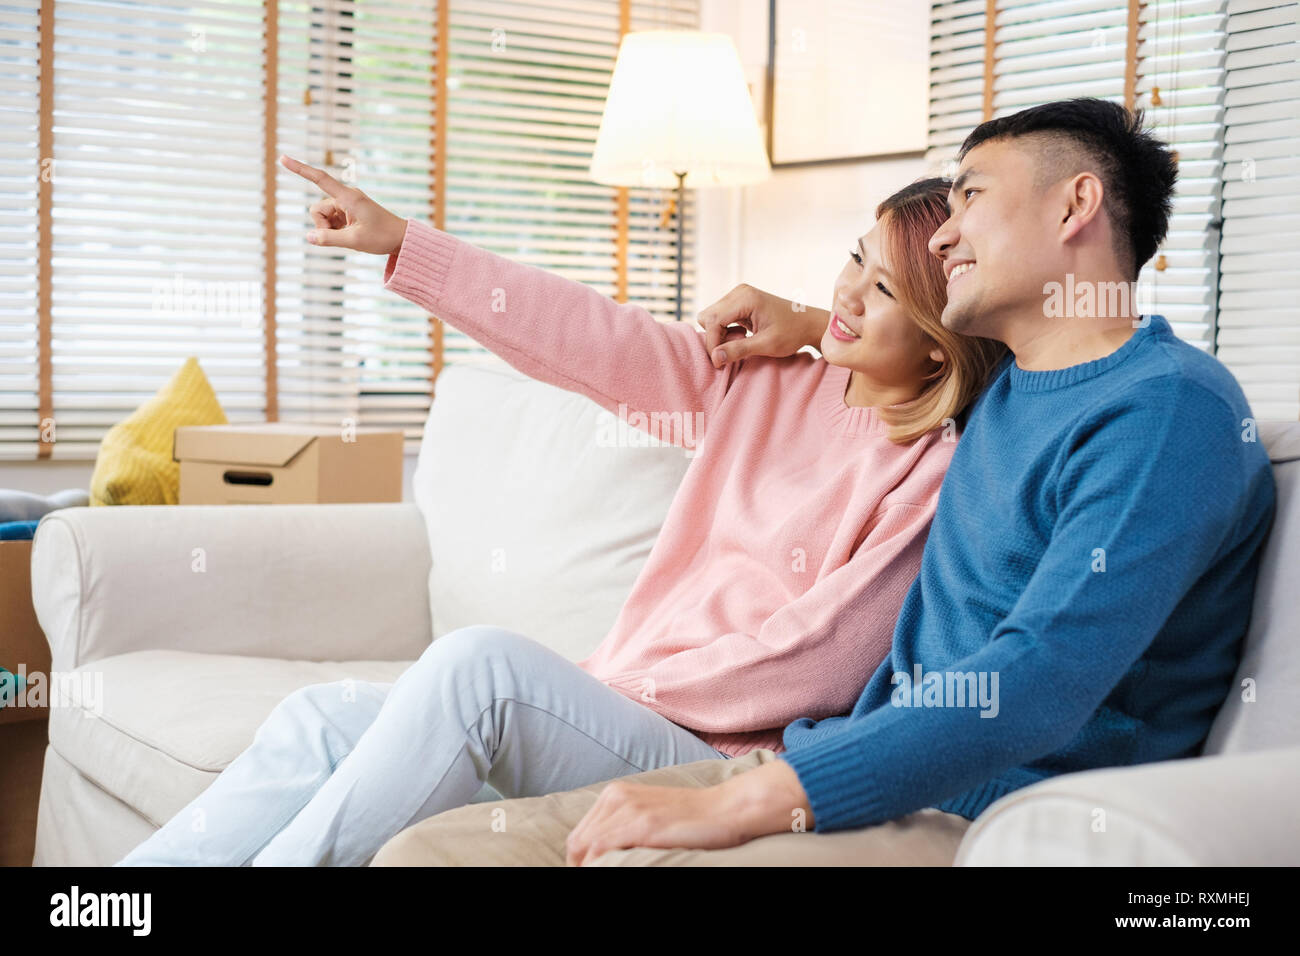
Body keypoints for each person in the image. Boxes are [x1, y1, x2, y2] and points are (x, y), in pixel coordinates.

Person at [366, 97, 1278, 868]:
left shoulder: (1166, 412)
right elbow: (911, 348)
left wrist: (738, 807)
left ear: (1076, 205)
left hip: (976, 813)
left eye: (970, 197)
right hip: (837, 767)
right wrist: (812, 320)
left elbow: (1038, 679)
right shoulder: (1012, 387)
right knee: (432, 854)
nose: (946, 232)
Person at [114, 165, 1003, 866]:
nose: (847, 293)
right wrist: (407, 245)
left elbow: (819, 657)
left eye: (882, 290)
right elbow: (588, 335)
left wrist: (602, 691)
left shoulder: (939, 475)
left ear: (940, 332)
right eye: (854, 258)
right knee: (322, 716)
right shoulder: (762, 381)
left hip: (711, 757)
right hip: (617, 709)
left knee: (481, 666)